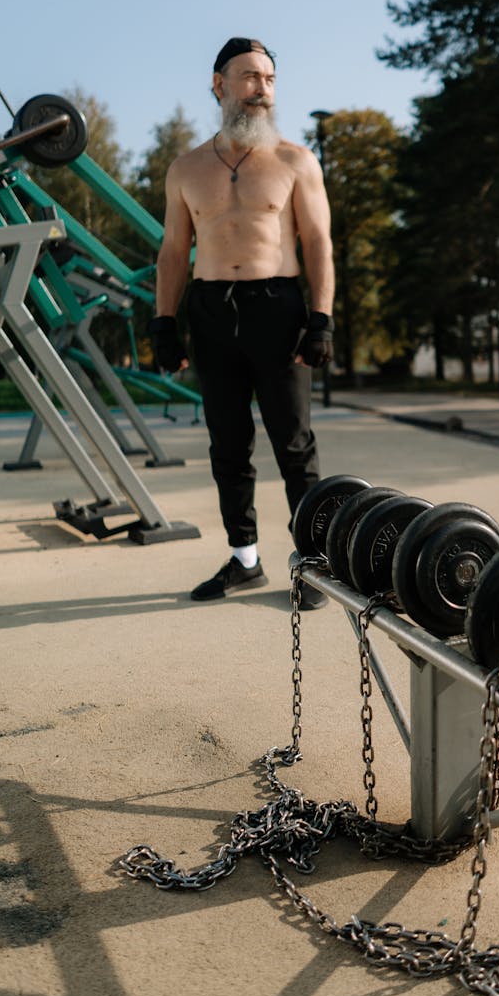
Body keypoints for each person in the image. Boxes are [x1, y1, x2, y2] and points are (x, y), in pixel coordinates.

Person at [148, 37, 334, 606]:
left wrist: (322, 318)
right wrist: (164, 322)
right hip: (209, 311)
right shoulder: (186, 168)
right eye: (250, 76)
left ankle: (316, 562)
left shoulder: (295, 161)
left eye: (270, 79)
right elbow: (174, 251)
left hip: (276, 310)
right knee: (228, 443)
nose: (262, 89)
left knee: (293, 444)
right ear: (218, 84)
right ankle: (244, 558)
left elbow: (320, 244)